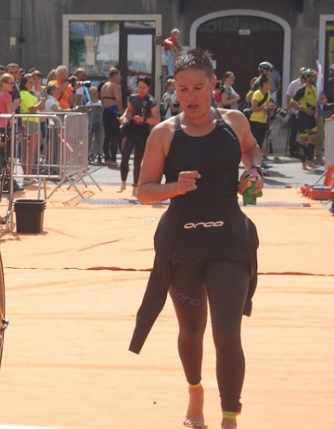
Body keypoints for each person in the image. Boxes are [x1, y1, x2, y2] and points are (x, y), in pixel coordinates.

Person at [129, 48, 263, 429]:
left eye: (198, 88)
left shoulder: (234, 122)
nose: (191, 96)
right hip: (182, 246)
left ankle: (229, 418)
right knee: (191, 329)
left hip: (229, 243)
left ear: (213, 86)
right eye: (183, 89)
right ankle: (195, 392)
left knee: (226, 330)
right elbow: (143, 191)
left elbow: (251, 148)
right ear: (174, 89)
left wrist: (254, 171)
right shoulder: (164, 133)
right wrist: (174, 187)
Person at [118, 75, 160, 194]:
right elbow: (129, 111)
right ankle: (123, 183)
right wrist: (124, 117)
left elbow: (157, 119)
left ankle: (135, 186)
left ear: (149, 87)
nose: (141, 90)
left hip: (142, 132)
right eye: (139, 87)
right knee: (125, 157)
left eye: (144, 88)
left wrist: (144, 119)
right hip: (130, 129)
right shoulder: (132, 98)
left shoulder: (151, 101)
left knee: (138, 161)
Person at [290, 68, 320, 171]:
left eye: (315, 77)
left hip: (311, 117)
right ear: (307, 78)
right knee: (303, 140)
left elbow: (316, 100)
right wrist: (305, 109)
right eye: (312, 77)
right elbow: (292, 102)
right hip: (303, 117)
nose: (315, 78)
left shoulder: (314, 88)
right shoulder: (302, 90)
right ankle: (303, 162)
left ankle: (310, 160)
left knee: (314, 138)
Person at [19, 73, 46, 178]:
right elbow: (32, 109)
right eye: (30, 82)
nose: (32, 84)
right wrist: (42, 101)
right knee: (29, 150)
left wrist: (41, 102)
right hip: (29, 121)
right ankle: (28, 174)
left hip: (31, 121)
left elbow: (37, 107)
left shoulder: (28, 94)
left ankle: (27, 173)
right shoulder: (25, 94)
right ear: (24, 83)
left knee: (28, 150)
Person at [100, 67, 123, 165]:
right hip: (113, 112)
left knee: (107, 137)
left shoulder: (104, 86)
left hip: (105, 112)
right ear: (115, 76)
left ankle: (107, 158)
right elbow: (118, 100)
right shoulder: (116, 86)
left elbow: (102, 100)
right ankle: (113, 159)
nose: (121, 77)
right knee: (114, 136)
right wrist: (121, 112)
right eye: (119, 75)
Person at [248, 74, 275, 153]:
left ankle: (259, 160)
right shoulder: (257, 93)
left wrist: (271, 108)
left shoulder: (268, 93)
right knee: (255, 143)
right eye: (269, 83)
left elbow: (267, 105)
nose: (271, 85)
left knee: (260, 142)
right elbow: (253, 108)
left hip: (263, 121)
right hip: (255, 121)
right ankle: (252, 160)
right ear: (264, 84)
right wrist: (265, 107)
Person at [285, 67, 307, 158]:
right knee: (294, 132)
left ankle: (303, 152)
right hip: (295, 112)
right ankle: (292, 150)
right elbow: (288, 96)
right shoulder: (293, 84)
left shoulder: (308, 85)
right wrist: (289, 109)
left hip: (305, 112)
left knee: (304, 133)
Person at [86, 86, 104, 164]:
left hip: (98, 122)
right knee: (89, 139)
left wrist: (94, 110)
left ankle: (99, 154)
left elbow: (101, 112)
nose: (94, 95)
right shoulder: (88, 103)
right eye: (92, 93)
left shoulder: (100, 103)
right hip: (90, 123)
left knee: (98, 139)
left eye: (95, 93)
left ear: (98, 94)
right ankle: (88, 155)